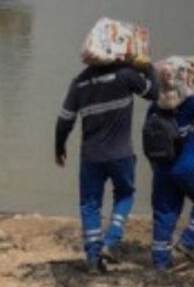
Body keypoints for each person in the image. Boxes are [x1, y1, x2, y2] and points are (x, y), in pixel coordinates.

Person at [55, 54, 157, 273]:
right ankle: (111, 241)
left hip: (91, 156)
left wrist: (59, 147)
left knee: (90, 204)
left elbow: (65, 120)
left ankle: (93, 259)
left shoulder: (79, 83)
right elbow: (154, 93)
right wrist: (148, 68)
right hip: (121, 154)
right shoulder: (126, 75)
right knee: (125, 195)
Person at [147, 68, 194, 271]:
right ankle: (189, 241)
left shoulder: (153, 108)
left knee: (164, 213)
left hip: (162, 170)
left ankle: (160, 263)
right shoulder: (188, 106)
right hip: (187, 169)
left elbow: (148, 140)